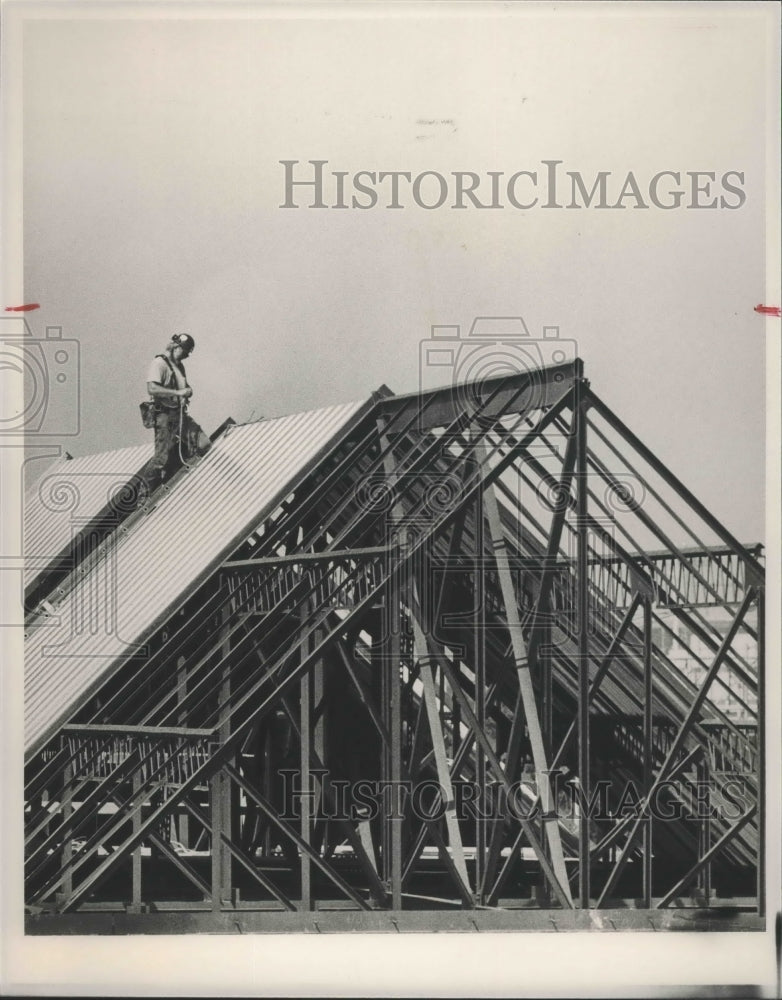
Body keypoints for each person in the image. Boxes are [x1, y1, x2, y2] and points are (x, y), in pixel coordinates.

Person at [143, 333, 210, 494]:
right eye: (185, 351)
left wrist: (187, 391)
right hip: (164, 416)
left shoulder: (179, 367)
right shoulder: (159, 364)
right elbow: (152, 388)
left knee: (203, 444)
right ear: (177, 347)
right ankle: (144, 493)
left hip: (179, 415)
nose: (187, 355)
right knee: (160, 459)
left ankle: (182, 473)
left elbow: (183, 387)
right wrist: (179, 393)